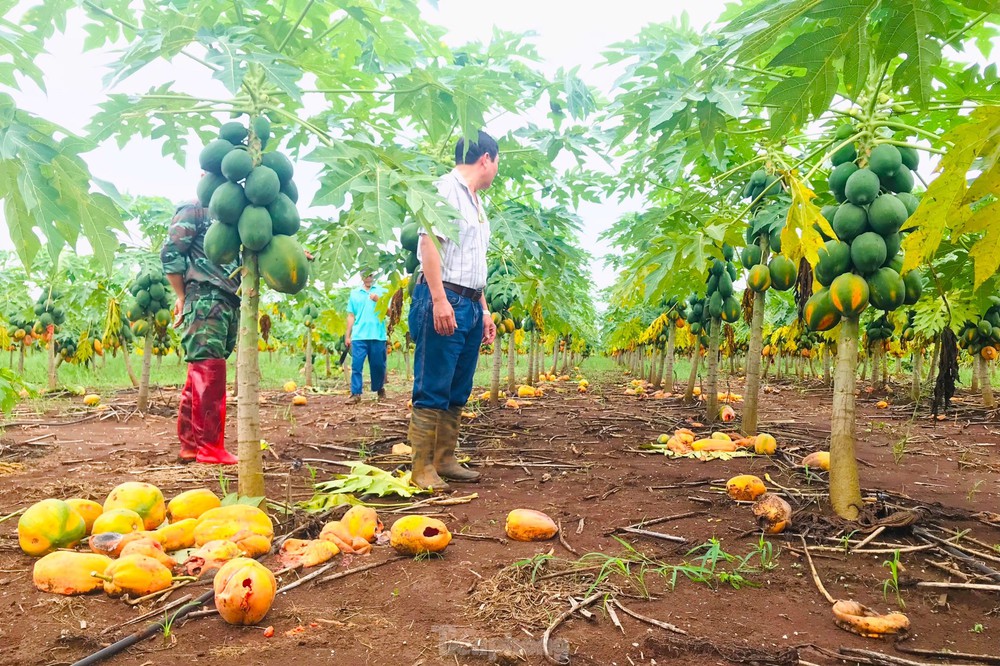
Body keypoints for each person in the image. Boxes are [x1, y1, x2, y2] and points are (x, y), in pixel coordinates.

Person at [408, 130, 499, 490]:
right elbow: (429, 243)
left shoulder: (477, 203)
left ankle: (444, 459)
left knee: (457, 387)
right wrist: (439, 298)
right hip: (443, 297)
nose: (496, 170)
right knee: (433, 384)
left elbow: (474, 261)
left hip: (470, 302)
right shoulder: (444, 190)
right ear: (486, 159)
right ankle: (421, 468)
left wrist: (485, 309)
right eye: (497, 163)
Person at [161, 200, 241, 465]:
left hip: (228, 298)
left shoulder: (236, 211)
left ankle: (192, 445)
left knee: (201, 371)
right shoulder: (195, 211)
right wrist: (182, 296)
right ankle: (210, 448)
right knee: (209, 371)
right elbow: (171, 253)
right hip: (206, 296)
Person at [346, 272, 388, 403]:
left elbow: (392, 312)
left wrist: (379, 301)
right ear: (361, 276)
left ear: (374, 275)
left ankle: (379, 388)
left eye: (370, 275)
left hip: (378, 335)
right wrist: (347, 335)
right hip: (359, 335)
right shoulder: (355, 293)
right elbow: (351, 315)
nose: (368, 277)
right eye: (365, 275)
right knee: (356, 365)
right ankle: (355, 394)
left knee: (378, 365)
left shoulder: (382, 291)